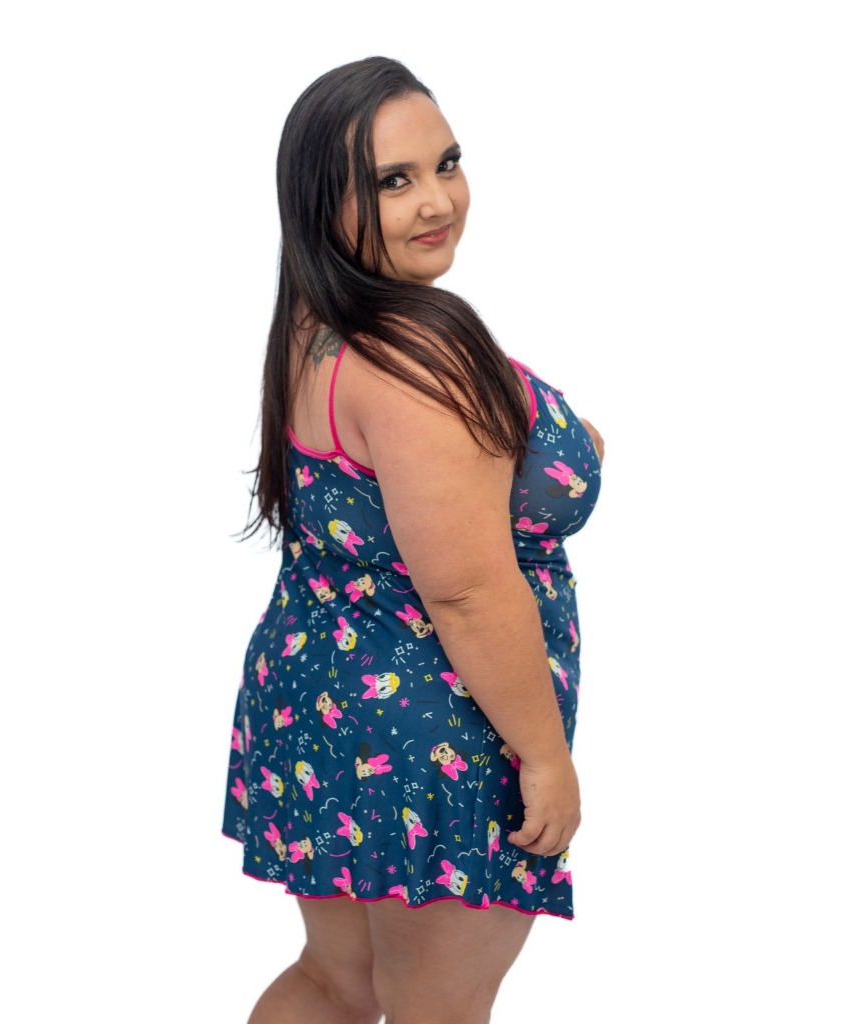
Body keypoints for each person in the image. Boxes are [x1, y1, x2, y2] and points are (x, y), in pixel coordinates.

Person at [223, 57, 604, 1024]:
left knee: (336, 983)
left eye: (447, 163)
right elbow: (465, 591)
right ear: (323, 201)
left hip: (319, 706)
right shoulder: (416, 357)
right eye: (393, 181)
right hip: (431, 737)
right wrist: (544, 758)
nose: (437, 201)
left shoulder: (319, 324)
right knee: (441, 1006)